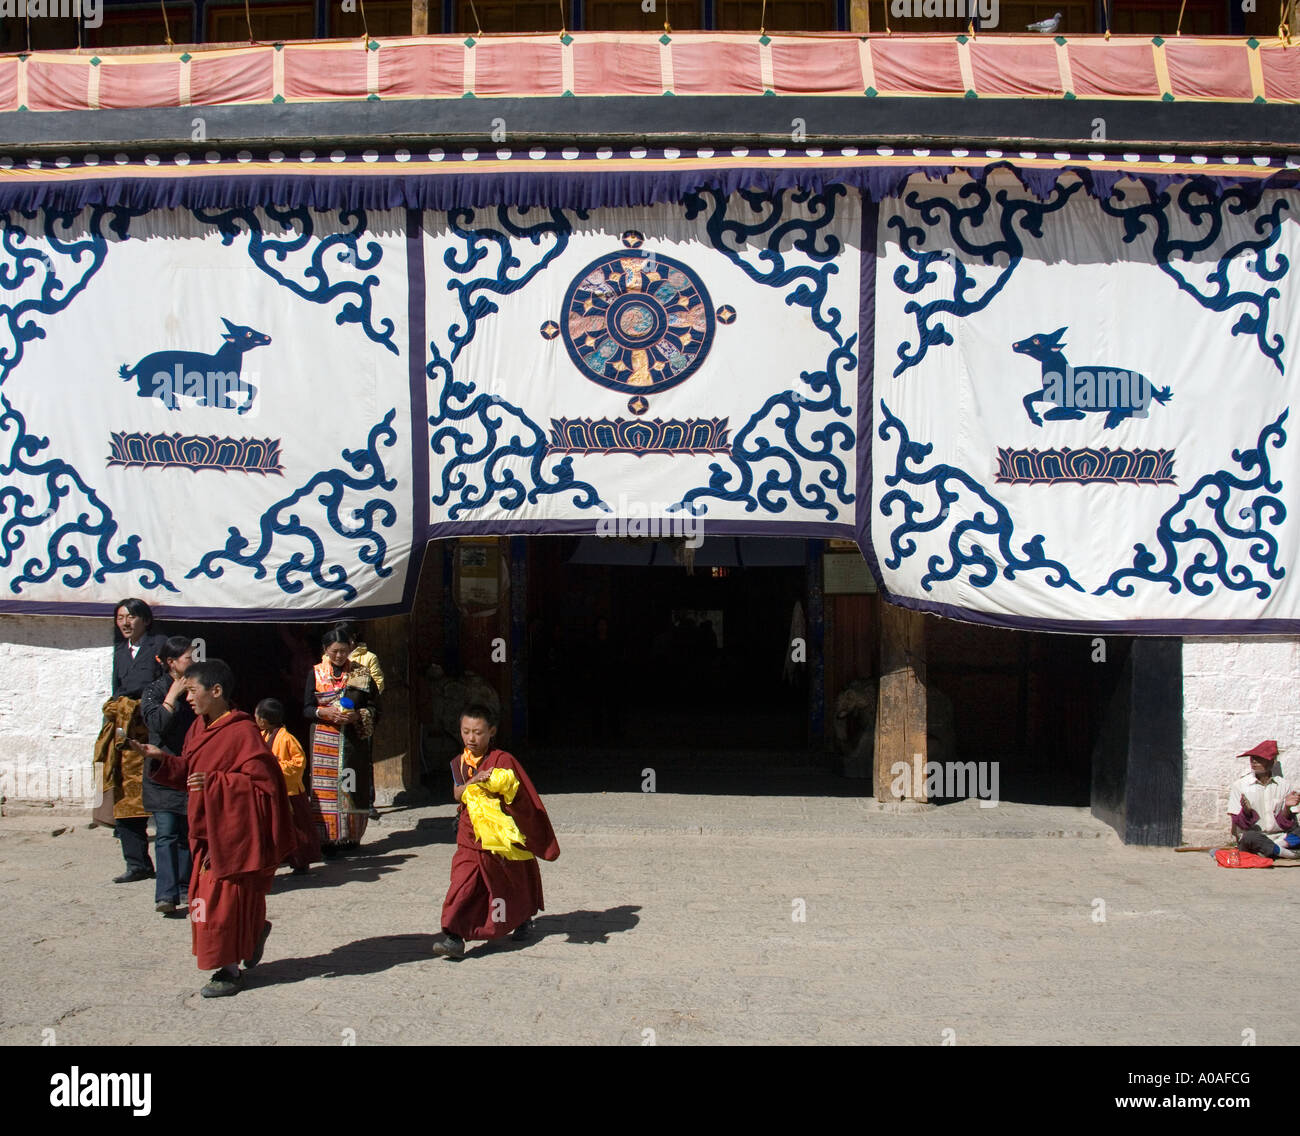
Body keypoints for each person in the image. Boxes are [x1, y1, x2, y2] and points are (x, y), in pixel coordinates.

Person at [132, 659, 294, 998]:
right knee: (204, 901)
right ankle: (251, 934)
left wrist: (219, 783)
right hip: (206, 828)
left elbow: (266, 785)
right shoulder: (198, 728)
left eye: (192, 691)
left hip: (233, 835)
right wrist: (161, 758)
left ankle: (229, 971)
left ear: (216, 691)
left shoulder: (242, 732)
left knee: (221, 903)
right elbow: (191, 774)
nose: (187, 699)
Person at [431, 704, 559, 959]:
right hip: (471, 835)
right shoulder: (459, 762)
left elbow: (522, 796)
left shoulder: (503, 759)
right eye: (466, 731)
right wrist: (473, 782)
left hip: (502, 835)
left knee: (512, 880)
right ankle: (454, 936)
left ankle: (522, 917)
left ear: (491, 732)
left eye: (478, 732)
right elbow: (457, 793)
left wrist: (501, 786)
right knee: (462, 883)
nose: (471, 738)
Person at [105, 598, 167, 884]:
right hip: (127, 734)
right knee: (126, 799)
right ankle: (137, 863)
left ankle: (176, 868)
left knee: (164, 798)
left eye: (131, 617)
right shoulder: (119, 652)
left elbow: (171, 686)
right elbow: (117, 689)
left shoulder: (160, 647)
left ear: (146, 620)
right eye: (120, 618)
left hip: (154, 732)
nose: (125, 623)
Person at [305, 629, 380, 856]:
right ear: (325, 650)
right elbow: (306, 708)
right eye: (334, 651)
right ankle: (326, 839)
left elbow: (376, 706)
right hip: (323, 742)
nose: (339, 656)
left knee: (352, 786)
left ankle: (351, 837)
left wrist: (358, 716)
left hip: (352, 741)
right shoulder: (316, 673)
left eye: (344, 651)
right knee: (325, 790)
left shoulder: (361, 673)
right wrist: (326, 713)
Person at [139, 636, 197, 913]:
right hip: (162, 770)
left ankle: (186, 887)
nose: (193, 661)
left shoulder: (198, 689)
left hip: (188, 767)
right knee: (166, 832)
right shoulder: (153, 690)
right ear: (172, 663)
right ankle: (165, 894)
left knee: (187, 832)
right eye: (188, 657)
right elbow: (158, 724)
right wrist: (173, 695)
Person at [255, 698, 321, 875]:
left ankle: (301, 861)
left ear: (264, 720)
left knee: (297, 829)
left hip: (290, 792)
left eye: (257, 715)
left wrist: (275, 766)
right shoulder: (262, 736)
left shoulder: (287, 738)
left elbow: (299, 763)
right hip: (273, 790)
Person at [334, 620, 385, 821]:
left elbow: (377, 684)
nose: (338, 654)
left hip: (359, 718)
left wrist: (361, 708)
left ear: (352, 641)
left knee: (360, 762)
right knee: (337, 766)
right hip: (334, 723)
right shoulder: (323, 665)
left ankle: (366, 802)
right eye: (333, 650)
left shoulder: (367, 659)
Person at [1228, 740, 1300, 860]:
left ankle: (1273, 850)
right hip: (1253, 839)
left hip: (1280, 838)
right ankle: (1288, 854)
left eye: (1259, 758)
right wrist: (1246, 812)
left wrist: (1287, 808)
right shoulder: (1240, 785)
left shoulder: (1284, 785)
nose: (1254, 761)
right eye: (1252, 758)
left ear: (1272, 762)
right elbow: (1237, 823)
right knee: (1250, 836)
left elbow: (1287, 823)